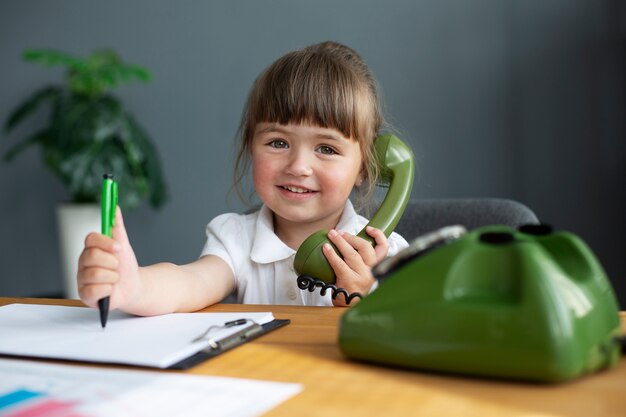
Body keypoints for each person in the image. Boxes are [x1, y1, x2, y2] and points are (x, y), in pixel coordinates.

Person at [77, 41, 409, 315]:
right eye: (278, 143)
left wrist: (362, 297)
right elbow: (191, 282)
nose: (298, 166)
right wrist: (133, 286)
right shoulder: (235, 238)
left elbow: (410, 340)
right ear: (251, 147)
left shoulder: (390, 254)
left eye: (326, 148)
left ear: (364, 167)